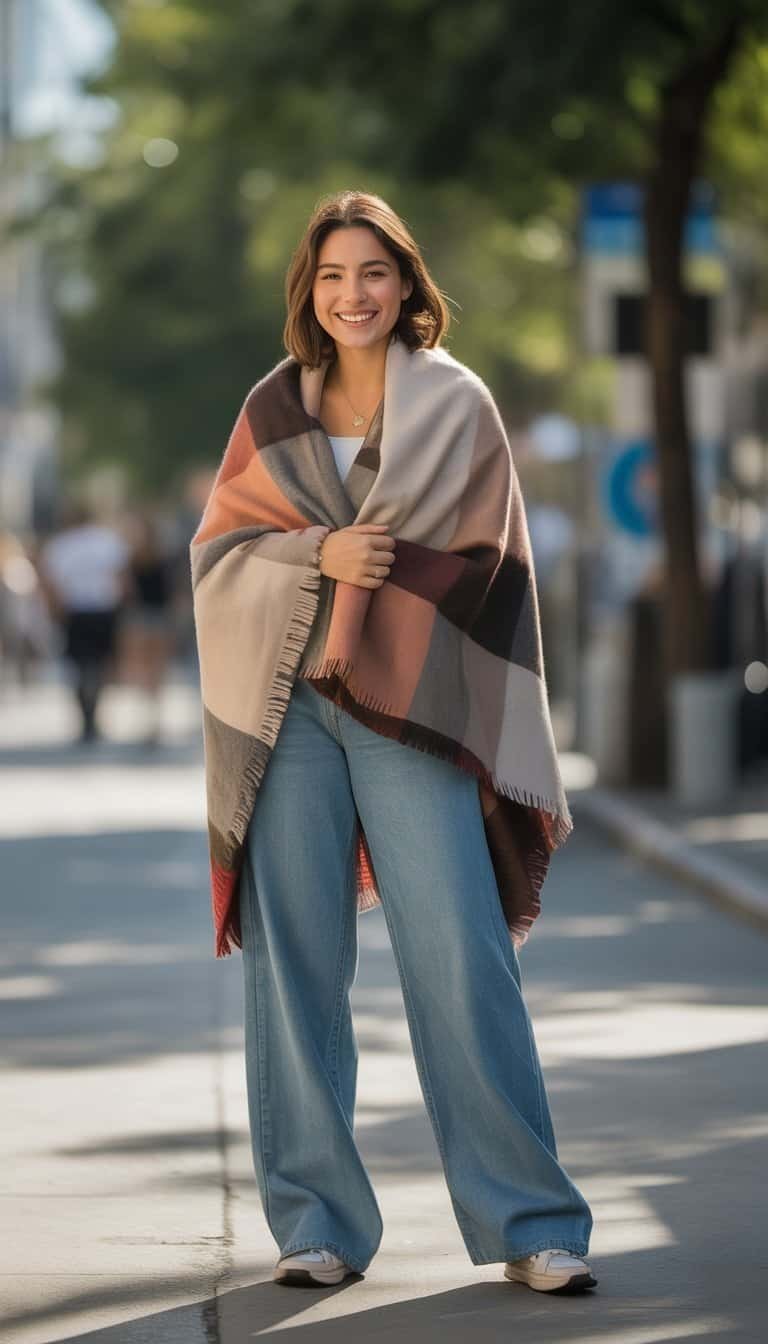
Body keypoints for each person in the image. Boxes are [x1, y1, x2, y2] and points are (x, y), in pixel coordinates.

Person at [190, 191, 597, 1293]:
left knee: (462, 954)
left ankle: (533, 1223)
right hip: (289, 710)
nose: (353, 294)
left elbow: (489, 566)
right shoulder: (273, 408)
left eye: (374, 272)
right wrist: (323, 554)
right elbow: (221, 553)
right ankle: (316, 1223)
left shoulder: (457, 403)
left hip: (413, 703)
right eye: (332, 275)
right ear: (308, 292)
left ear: (408, 285)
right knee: (297, 969)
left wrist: (383, 575)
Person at [37, 500, 131, 742]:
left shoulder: (59, 545)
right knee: (100, 663)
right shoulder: (107, 541)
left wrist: (54, 611)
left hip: (74, 610)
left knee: (78, 665)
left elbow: (50, 583)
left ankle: (85, 714)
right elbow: (121, 576)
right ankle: (94, 711)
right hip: (103, 609)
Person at [117, 510, 177, 746]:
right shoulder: (162, 558)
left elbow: (124, 592)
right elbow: (172, 592)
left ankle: (149, 717)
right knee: (153, 671)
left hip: (142, 618)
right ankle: (152, 717)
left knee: (145, 671)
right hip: (153, 617)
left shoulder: (130, 559)